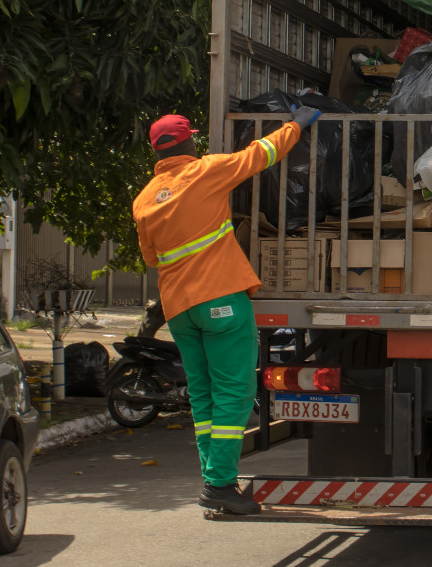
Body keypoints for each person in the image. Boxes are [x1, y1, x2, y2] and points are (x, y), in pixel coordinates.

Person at [132, 107, 320, 514]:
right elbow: (261, 153)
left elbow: (151, 257)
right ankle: (219, 485)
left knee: (203, 397)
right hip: (219, 299)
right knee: (235, 391)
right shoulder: (205, 171)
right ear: (188, 142)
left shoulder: (144, 199)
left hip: (179, 308)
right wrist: (296, 124)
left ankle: (214, 480)